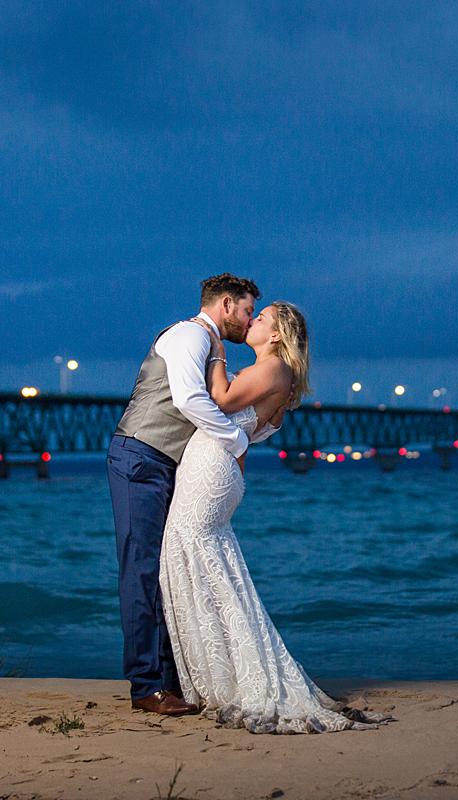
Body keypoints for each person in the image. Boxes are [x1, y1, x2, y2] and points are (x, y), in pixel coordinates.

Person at [160, 302, 387, 734]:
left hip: (212, 466)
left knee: (196, 555)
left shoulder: (272, 370)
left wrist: (215, 351)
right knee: (204, 560)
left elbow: (221, 400)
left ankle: (223, 675)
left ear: (278, 334)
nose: (252, 322)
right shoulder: (276, 374)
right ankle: (218, 670)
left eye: (260, 318)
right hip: (218, 467)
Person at [107, 273, 258, 715]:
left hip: (163, 463)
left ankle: (172, 681)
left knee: (167, 570)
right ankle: (146, 687)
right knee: (141, 571)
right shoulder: (189, 334)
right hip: (140, 458)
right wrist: (237, 441)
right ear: (226, 304)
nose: (249, 322)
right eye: (247, 311)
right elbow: (191, 399)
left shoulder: (212, 347)